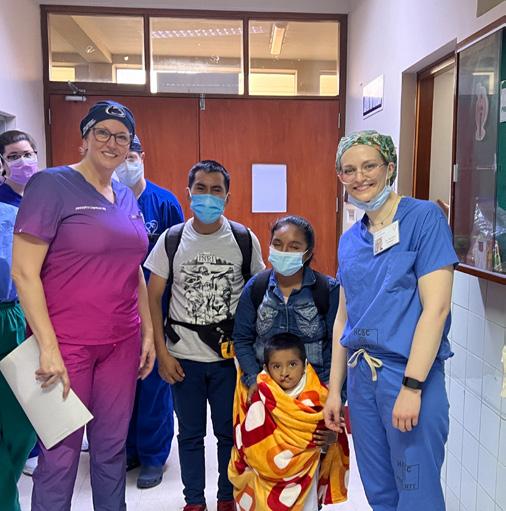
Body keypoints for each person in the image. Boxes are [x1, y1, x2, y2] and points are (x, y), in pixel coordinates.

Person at [11, 100, 155, 511]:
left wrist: (147, 331)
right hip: (65, 345)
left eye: (122, 137)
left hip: (121, 343)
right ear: (85, 138)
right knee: (59, 454)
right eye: (102, 133)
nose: (112, 143)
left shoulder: (125, 195)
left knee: (111, 449)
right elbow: (24, 271)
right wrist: (48, 347)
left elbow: (133, 268)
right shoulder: (50, 185)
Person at [323, 130, 458, 511]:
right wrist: (335, 389)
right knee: (380, 492)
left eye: (369, 166)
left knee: (417, 493)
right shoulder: (350, 240)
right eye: (349, 170)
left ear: (390, 167)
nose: (360, 177)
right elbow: (343, 319)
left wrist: (412, 387)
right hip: (362, 379)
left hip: (409, 375)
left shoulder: (424, 219)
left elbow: (436, 309)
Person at [145, 159, 265, 511]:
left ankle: (227, 498)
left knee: (229, 434)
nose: (208, 197)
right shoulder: (172, 239)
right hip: (184, 359)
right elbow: (153, 296)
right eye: (201, 188)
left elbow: (259, 294)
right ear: (189, 192)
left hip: (230, 361)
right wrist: (162, 353)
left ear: (227, 196)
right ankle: (194, 501)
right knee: (190, 435)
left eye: (216, 190)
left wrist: (255, 356)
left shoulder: (243, 239)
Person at [116, 134, 184, 489]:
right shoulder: (104, 201)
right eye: (119, 156)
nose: (125, 162)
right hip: (115, 312)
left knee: (155, 384)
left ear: (142, 157)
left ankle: (154, 455)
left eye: (131, 155)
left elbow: (180, 259)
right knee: (120, 385)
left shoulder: (165, 203)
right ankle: (129, 450)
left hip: (157, 310)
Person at [229, 333, 349, 511]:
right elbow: (250, 441)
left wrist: (331, 439)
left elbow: (333, 435)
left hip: (306, 476)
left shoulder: (320, 397)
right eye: (276, 366)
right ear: (266, 368)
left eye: (292, 364)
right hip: (266, 482)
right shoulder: (260, 396)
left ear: (305, 364)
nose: (284, 373)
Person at [233, 215, 339, 402]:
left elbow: (339, 345)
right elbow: (242, 339)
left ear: (307, 253)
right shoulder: (256, 287)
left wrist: (335, 392)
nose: (284, 251)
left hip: (315, 394)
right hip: (266, 392)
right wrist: (253, 379)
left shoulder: (327, 290)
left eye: (294, 247)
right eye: (277, 244)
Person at [0, 130, 39, 207]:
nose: (24, 162)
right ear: (1, 162)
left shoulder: (44, 192)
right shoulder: (2, 201)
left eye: (27, 155)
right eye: (14, 156)